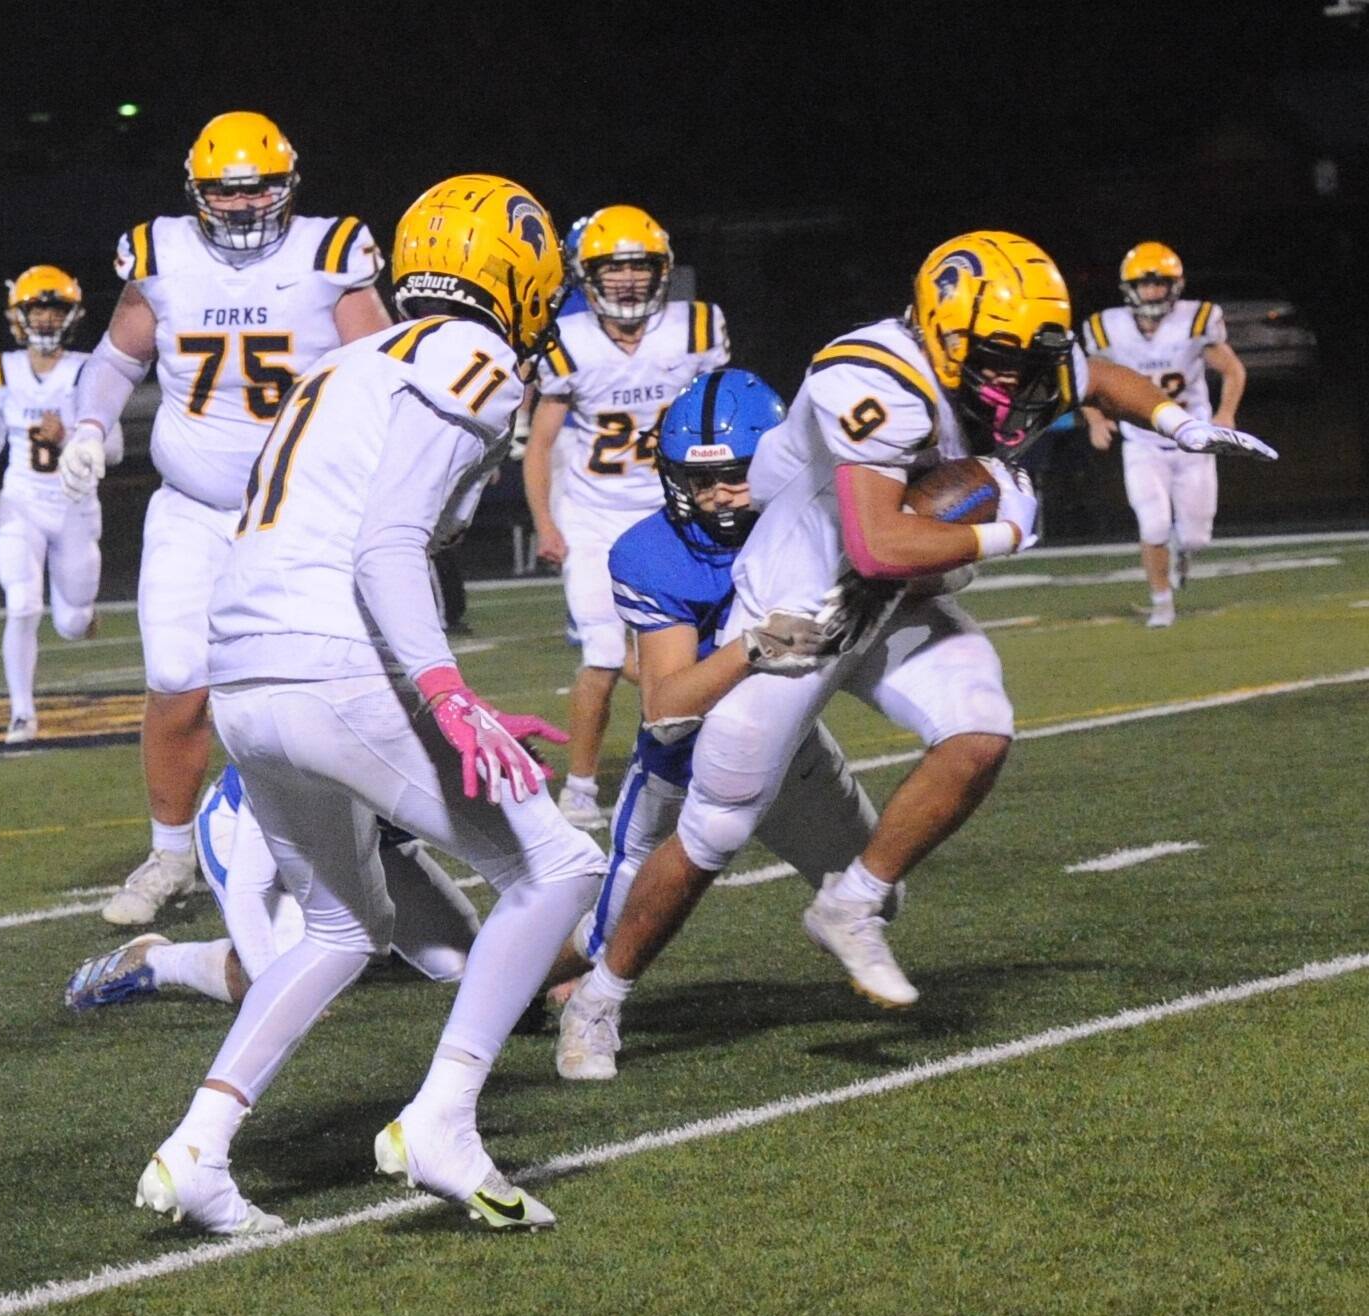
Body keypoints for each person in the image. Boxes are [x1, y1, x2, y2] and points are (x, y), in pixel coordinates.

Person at [130, 174, 838, 1237]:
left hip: (244, 677)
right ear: (516, 272)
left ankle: (197, 1149)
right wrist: (445, 689)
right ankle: (443, 1118)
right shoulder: (471, 356)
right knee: (561, 866)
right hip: (329, 661)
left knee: (341, 924)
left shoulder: (347, 359)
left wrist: (441, 699)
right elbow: (385, 545)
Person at [556, 231, 1278, 1069]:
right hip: (801, 610)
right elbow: (874, 548)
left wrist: (1179, 425)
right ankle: (599, 1000)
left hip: (888, 602)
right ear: (940, 329)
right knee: (713, 833)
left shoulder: (1015, 359)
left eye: (1025, 360)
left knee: (979, 728)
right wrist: (1006, 529)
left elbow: (1095, 376)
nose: (1012, 380)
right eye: (996, 359)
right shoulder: (868, 378)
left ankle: (850, 904)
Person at [55, 111, 394, 927]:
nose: (242, 205)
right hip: (193, 508)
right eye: (224, 191)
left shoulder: (329, 253)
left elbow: (388, 366)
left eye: (258, 188)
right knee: (176, 682)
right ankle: (169, 854)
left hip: (304, 515)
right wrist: (92, 425)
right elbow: (115, 359)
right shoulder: (160, 254)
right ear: (195, 192)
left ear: (289, 185)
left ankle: (366, 834)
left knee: (325, 684)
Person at [536, 370, 899, 1080]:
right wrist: (757, 645)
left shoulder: (819, 515)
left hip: (789, 751)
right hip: (684, 760)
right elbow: (665, 701)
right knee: (614, 930)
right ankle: (552, 994)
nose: (716, 496)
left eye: (734, 476)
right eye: (699, 480)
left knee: (880, 898)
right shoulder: (652, 550)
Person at [521, 206, 730, 828]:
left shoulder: (695, 329)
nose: (629, 280)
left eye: (640, 266)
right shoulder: (571, 341)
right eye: (614, 268)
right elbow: (539, 444)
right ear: (590, 275)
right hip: (593, 518)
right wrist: (546, 524)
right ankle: (581, 790)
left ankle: (696, 758)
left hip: (673, 515)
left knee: (687, 653)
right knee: (605, 656)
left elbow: (718, 413)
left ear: (661, 271)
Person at [63, 765, 482, 1010]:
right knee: (287, 981)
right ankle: (158, 961)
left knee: (464, 962)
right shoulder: (305, 738)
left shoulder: (423, 734)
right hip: (255, 837)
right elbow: (249, 889)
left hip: (357, 843)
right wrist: (270, 990)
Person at [0, 267, 120, 741]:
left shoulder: (88, 369)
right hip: (19, 501)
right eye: (36, 309)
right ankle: (22, 712)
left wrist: (73, 438)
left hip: (74, 507)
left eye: (54, 309)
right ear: (18, 317)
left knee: (71, 622)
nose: (44, 319)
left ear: (71, 315)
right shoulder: (0, 370)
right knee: (21, 605)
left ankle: (83, 618)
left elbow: (116, 448)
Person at [1079, 242, 1247, 627]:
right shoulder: (1109, 328)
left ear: (1176, 286)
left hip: (1192, 441)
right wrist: (1094, 419)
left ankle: (1182, 553)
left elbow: (1233, 370)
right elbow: (1086, 381)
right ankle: (1161, 603)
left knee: (1196, 539)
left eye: (1160, 283)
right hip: (1142, 443)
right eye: (1146, 283)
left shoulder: (1195, 321)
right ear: (1129, 288)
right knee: (1152, 524)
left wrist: (1225, 413)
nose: (1153, 291)